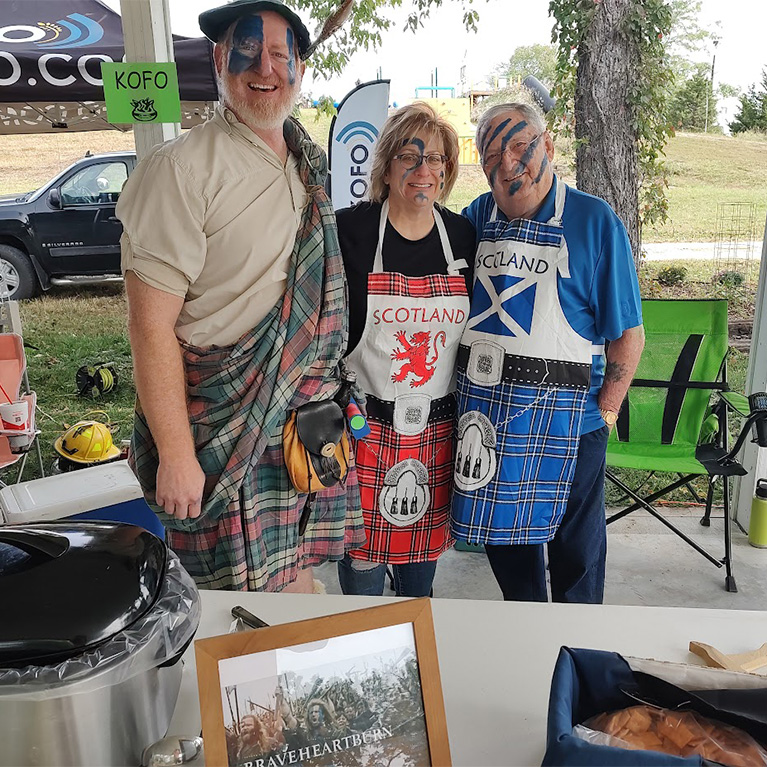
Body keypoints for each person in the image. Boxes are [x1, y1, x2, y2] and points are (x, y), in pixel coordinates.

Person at [117, 0, 364, 593]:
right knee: (232, 612)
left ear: (300, 68)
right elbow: (150, 326)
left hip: (302, 425)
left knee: (297, 581)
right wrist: (176, 454)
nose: (265, 67)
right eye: (248, 50)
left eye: (281, 54)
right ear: (220, 58)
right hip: (221, 429)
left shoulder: (307, 163)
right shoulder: (179, 169)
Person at [452, 102, 645, 603]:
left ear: (549, 147)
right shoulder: (476, 219)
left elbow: (628, 334)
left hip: (572, 426)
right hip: (493, 424)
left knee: (577, 562)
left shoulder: (594, 221)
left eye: (521, 146)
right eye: (494, 153)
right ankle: (529, 644)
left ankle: (577, 667)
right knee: (510, 556)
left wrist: (605, 412)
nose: (509, 162)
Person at [334, 103, 476, 597]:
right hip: (364, 430)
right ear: (387, 167)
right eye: (409, 157)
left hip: (435, 431)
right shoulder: (349, 231)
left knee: (420, 582)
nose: (424, 171)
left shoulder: (460, 236)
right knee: (363, 580)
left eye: (436, 159)